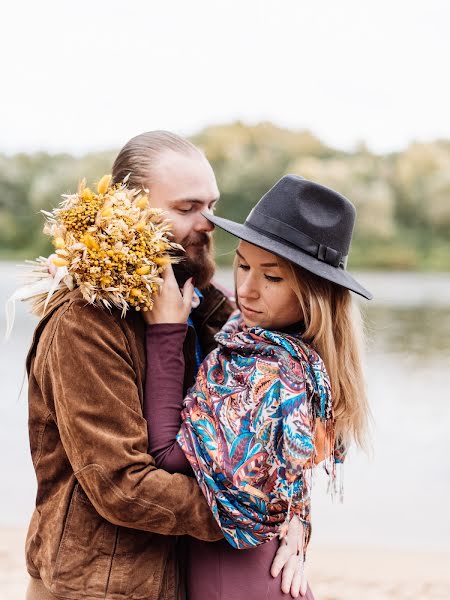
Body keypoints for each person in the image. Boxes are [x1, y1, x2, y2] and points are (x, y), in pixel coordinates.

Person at [24, 131, 304, 600]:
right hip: (97, 587)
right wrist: (255, 515)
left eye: (211, 205)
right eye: (186, 207)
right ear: (126, 211)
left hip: (177, 578)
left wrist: (297, 512)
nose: (208, 222)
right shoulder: (86, 323)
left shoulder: (207, 310)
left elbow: (263, 440)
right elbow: (123, 486)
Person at [143, 175, 372, 599]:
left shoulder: (269, 371)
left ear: (312, 294)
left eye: (273, 277)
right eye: (244, 264)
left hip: (238, 584)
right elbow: (285, 473)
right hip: (260, 572)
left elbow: (168, 456)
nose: (247, 289)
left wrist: (166, 334)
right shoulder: (259, 339)